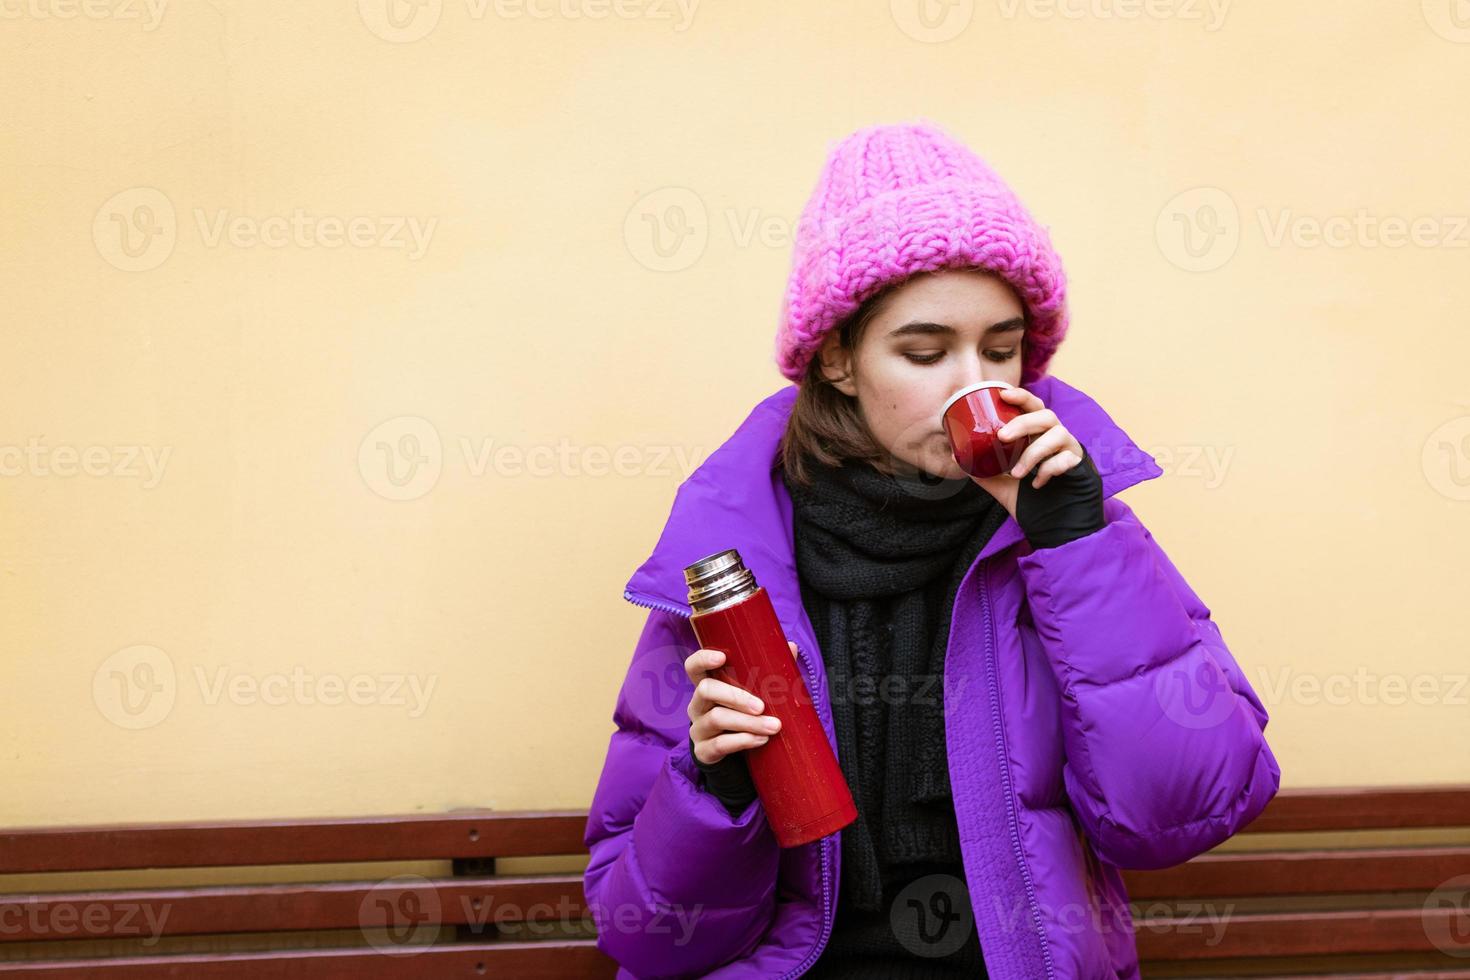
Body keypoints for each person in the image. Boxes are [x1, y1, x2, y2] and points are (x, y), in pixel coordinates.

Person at [583, 119, 1280, 979]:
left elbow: (1181, 813)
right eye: (925, 351)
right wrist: (713, 783)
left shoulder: (1072, 526)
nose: (976, 387)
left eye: (1001, 349)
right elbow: (643, 931)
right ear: (837, 359)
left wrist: (1078, 544)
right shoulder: (738, 557)